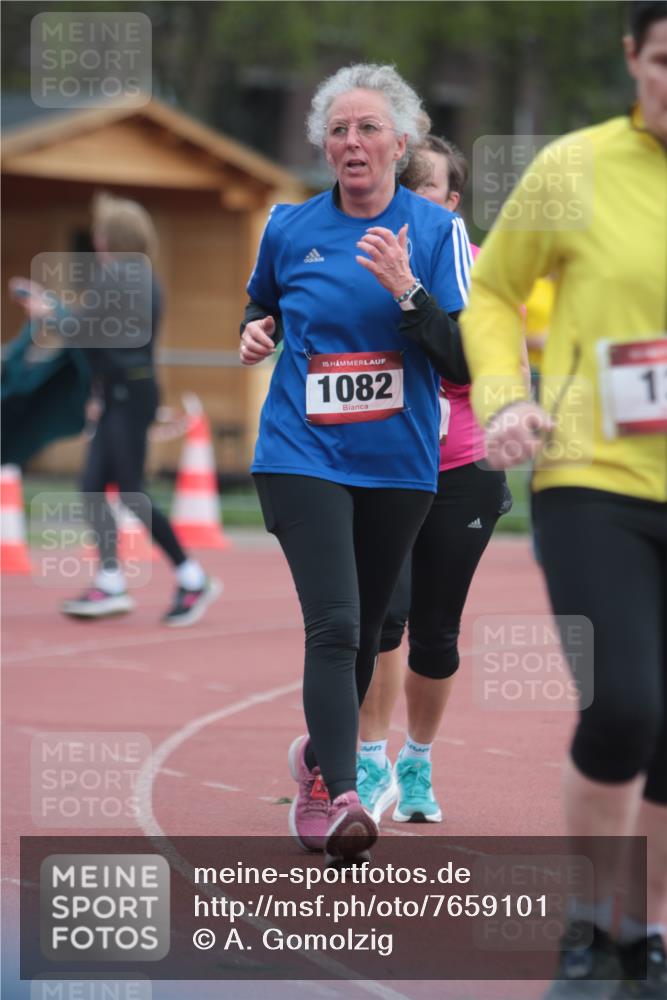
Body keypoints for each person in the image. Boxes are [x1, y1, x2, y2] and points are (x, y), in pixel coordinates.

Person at [461, 2, 667, 996]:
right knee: (623, 703)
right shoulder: (572, 167)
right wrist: (504, 398)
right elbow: (492, 292)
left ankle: (645, 933)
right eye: (665, 60)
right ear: (632, 57)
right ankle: (586, 928)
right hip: (592, 476)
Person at [239, 64, 472, 864]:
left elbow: (462, 363)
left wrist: (408, 290)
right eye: (337, 129)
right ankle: (335, 794)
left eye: (367, 127)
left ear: (400, 143)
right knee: (335, 625)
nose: (351, 141)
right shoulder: (288, 227)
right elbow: (263, 302)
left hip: (397, 465)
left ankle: (321, 749)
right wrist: (256, 330)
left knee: (370, 631)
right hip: (300, 453)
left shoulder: (434, 233)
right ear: (323, 145)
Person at [356, 137, 515, 825]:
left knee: (436, 631)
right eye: (404, 187)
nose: (411, 205)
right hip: (384, 466)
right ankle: (369, 760)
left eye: (426, 191)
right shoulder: (358, 263)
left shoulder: (479, 270)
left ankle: (416, 760)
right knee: (379, 619)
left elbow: (477, 367)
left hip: (461, 467)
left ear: (450, 204)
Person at [10, 192, 221, 627]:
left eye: (102, 232)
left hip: (128, 394)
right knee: (95, 488)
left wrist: (45, 311)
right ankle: (112, 580)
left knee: (129, 492)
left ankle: (191, 576)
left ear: (111, 238)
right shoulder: (138, 277)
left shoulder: (120, 277)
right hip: (122, 394)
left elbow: (81, 331)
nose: (97, 239)